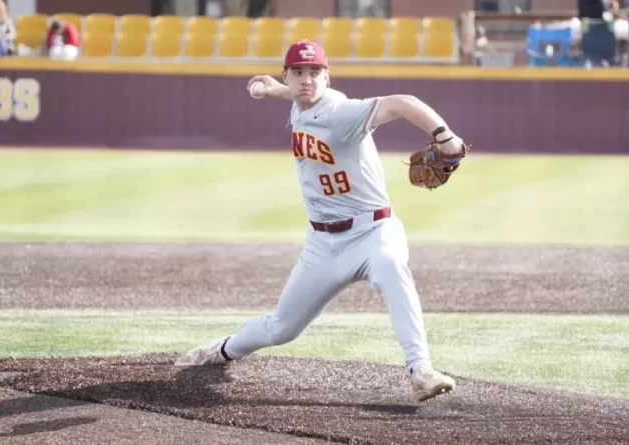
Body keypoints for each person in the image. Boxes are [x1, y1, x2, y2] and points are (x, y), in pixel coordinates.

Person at [175, 40, 467, 403]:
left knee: (392, 266)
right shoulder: (300, 103)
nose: (306, 80)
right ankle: (222, 350)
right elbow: (298, 95)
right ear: (288, 75)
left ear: (327, 77)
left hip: (373, 230)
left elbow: (404, 102)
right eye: (298, 72)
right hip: (323, 245)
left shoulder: (341, 112)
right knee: (282, 328)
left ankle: (420, 369)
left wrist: (445, 136)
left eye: (315, 73)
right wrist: (270, 89)